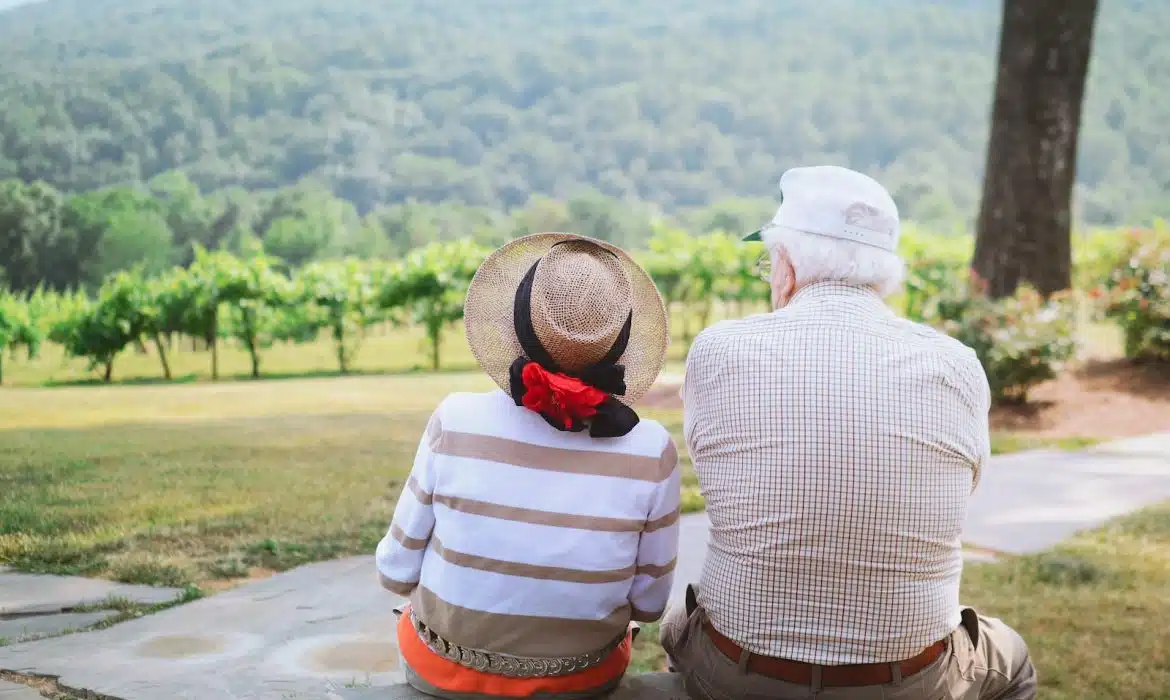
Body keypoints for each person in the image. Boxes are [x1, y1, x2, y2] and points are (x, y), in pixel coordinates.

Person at [662, 166, 1037, 699]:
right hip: (912, 678)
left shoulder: (719, 351)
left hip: (741, 672)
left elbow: (725, 478)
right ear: (885, 272)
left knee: (681, 622)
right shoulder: (958, 365)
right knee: (1011, 658)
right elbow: (961, 490)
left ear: (786, 266)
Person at [376, 233, 682, 699]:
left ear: (517, 324)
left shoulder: (455, 419)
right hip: (584, 680)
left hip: (444, 672)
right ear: (619, 344)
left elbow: (395, 572)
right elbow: (650, 603)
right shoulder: (651, 449)